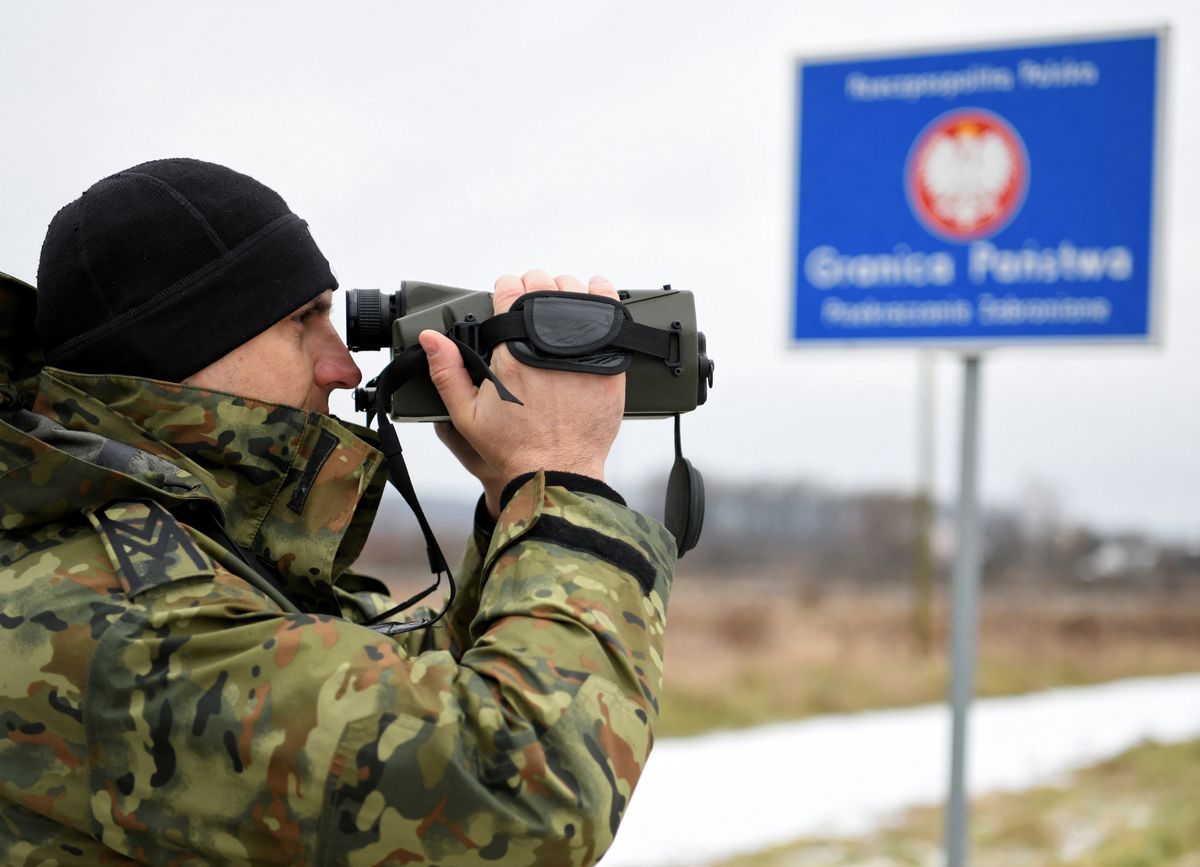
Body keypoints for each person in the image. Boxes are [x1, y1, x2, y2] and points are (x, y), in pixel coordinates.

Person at [0, 158, 675, 865]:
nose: (345, 367)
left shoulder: (176, 551)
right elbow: (522, 791)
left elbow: (393, 701)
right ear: (183, 348)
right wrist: (562, 478)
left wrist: (519, 500)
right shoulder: (122, 616)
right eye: (303, 321)